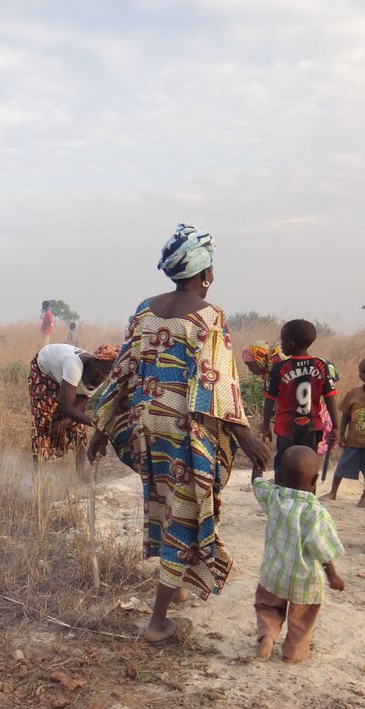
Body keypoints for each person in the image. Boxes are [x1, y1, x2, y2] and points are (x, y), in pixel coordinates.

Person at [88, 224, 271, 645]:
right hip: (186, 429)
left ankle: (180, 583)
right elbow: (218, 383)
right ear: (206, 272)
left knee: (165, 502)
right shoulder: (209, 316)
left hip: (149, 426)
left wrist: (101, 429)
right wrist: (245, 437)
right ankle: (157, 623)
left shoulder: (145, 308)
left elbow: (122, 370)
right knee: (185, 515)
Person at [253, 445, 345, 663]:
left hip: (274, 574)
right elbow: (321, 548)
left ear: (279, 476)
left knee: (267, 606)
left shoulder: (274, 497)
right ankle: (292, 653)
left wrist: (257, 464)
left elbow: (257, 484)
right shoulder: (316, 512)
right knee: (302, 619)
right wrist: (332, 576)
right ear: (314, 481)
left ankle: (268, 635)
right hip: (305, 581)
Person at [261, 320, 338, 481]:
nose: (280, 344)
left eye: (282, 340)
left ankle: (283, 496)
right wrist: (336, 426)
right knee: (308, 464)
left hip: (286, 427)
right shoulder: (321, 365)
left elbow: (269, 399)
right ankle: (308, 498)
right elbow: (330, 398)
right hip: (312, 427)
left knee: (284, 463)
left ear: (291, 343)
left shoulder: (280, 368)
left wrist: (266, 425)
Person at [29, 343, 113, 475]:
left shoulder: (100, 373)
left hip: (66, 379)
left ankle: (80, 475)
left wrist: (66, 422)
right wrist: (96, 423)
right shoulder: (74, 365)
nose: (104, 376)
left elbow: (84, 397)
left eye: (108, 374)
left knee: (78, 428)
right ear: (95, 362)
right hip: (44, 373)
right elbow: (66, 406)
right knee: (44, 422)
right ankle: (37, 477)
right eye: (103, 372)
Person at [323, 357, 365, 507]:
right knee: (342, 467)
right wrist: (341, 434)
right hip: (353, 441)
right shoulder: (353, 393)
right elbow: (346, 414)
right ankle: (333, 492)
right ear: (359, 375)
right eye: (364, 371)